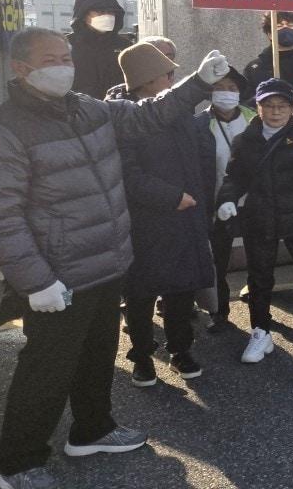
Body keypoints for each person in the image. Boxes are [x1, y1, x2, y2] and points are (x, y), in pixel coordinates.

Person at [0, 27, 230, 487]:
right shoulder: (5, 132)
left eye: (66, 55)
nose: (64, 64)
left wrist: (197, 83)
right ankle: (19, 464)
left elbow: (146, 115)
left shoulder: (87, 109)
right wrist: (36, 281)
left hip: (107, 261)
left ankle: (93, 429)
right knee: (47, 370)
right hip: (59, 275)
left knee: (97, 355)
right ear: (21, 68)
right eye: (51, 58)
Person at [116, 43, 217, 388]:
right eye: (169, 74)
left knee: (181, 289)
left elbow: (197, 160)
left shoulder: (180, 112)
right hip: (145, 220)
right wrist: (172, 197)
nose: (174, 78)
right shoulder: (122, 115)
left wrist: (200, 201)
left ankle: (180, 350)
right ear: (145, 81)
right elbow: (127, 175)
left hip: (186, 214)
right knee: (140, 294)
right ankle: (142, 357)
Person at [217, 78, 293, 363]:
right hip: (260, 214)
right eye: (268, 106)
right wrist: (226, 200)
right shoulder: (245, 140)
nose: (275, 112)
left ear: (291, 108)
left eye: (282, 105)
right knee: (260, 276)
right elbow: (233, 178)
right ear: (258, 108)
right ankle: (261, 331)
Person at [195, 67, 256, 334]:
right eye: (220, 87)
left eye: (232, 88)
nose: (227, 93)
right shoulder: (198, 124)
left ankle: (259, 301)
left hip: (252, 202)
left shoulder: (254, 119)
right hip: (217, 203)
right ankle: (219, 311)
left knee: (258, 253)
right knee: (218, 259)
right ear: (209, 91)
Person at [67, 0, 135, 100]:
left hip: (119, 111)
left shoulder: (125, 47)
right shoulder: (66, 46)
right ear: (83, 15)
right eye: (101, 11)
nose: (107, 16)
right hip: (79, 112)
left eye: (111, 12)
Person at [243, 11, 293, 95]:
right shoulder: (256, 69)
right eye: (279, 26)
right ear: (270, 34)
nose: (286, 28)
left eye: (290, 25)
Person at [104, 35, 176, 100]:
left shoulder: (171, 101)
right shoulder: (121, 109)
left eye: (169, 57)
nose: (167, 64)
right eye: (159, 57)